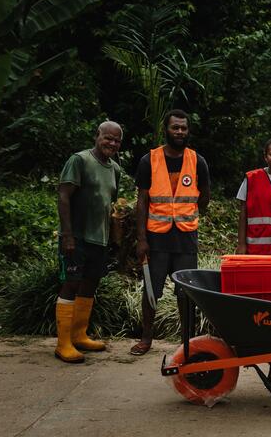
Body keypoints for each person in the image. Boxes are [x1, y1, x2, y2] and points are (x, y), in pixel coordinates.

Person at [130, 109, 210, 356]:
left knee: (185, 293)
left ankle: (187, 342)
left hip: (185, 239)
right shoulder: (149, 160)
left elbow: (204, 196)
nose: (179, 132)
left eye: (184, 128)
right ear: (166, 129)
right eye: (175, 127)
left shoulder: (197, 161)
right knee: (151, 289)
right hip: (156, 238)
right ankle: (146, 339)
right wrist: (141, 238)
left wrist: (189, 213)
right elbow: (142, 201)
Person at [55, 121, 123, 363]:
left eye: (116, 141)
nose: (112, 143)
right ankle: (63, 344)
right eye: (108, 138)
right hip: (77, 236)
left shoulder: (115, 169)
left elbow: (109, 204)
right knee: (71, 284)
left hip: (99, 238)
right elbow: (63, 196)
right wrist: (67, 235)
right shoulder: (80, 160)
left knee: (90, 284)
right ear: (97, 136)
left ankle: (79, 335)